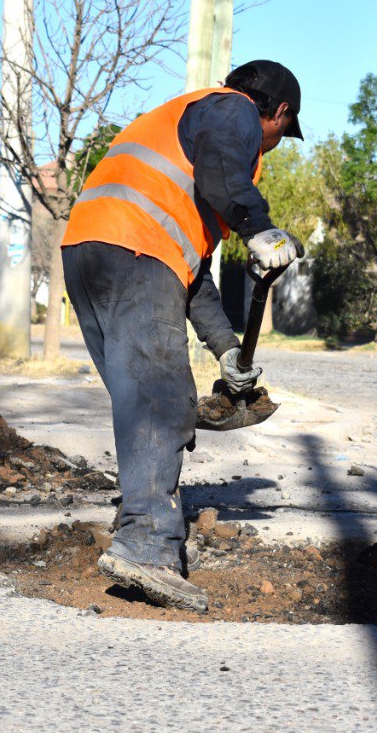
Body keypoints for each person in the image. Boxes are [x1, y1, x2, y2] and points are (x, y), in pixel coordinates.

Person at [60, 60, 305, 611]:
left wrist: (227, 351)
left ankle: (138, 519)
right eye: (281, 135)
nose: (269, 147)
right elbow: (224, 172)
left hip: (90, 251)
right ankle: (146, 545)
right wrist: (258, 227)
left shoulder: (180, 127)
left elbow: (192, 277)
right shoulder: (232, 110)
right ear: (280, 113)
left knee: (139, 400)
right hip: (135, 252)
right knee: (160, 402)